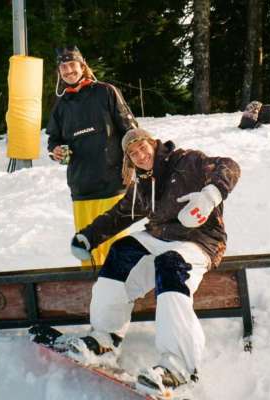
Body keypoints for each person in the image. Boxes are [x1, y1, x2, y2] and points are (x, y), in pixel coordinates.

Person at [69, 128, 241, 394]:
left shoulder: (187, 161)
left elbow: (228, 166)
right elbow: (119, 215)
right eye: (133, 153)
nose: (140, 155)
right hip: (160, 236)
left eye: (142, 147)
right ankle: (106, 337)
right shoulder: (142, 184)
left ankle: (178, 365)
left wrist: (209, 197)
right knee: (121, 251)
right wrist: (88, 238)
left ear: (153, 143)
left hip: (200, 240)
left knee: (169, 265)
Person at [46, 45, 138, 266]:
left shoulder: (106, 91)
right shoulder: (61, 106)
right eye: (63, 67)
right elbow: (53, 141)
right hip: (81, 189)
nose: (68, 71)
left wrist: (134, 163)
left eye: (72, 65)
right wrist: (56, 151)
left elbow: (131, 130)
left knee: (117, 252)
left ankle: (127, 298)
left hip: (113, 185)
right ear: (59, 72)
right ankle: (94, 297)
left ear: (82, 66)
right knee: (88, 254)